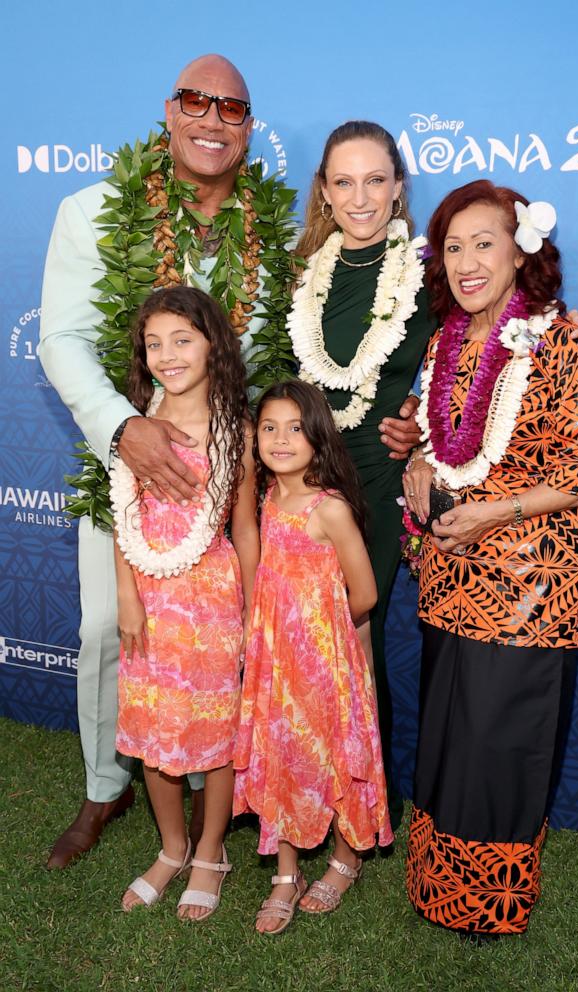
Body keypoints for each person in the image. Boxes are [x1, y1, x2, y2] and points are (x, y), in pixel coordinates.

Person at [286, 121, 578, 828]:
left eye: (375, 179)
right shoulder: (324, 288)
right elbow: (431, 414)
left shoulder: (510, 319)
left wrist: (568, 324)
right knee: (424, 714)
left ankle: (395, 846)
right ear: (324, 193)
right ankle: (317, 816)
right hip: (390, 536)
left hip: (492, 560)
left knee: (465, 716)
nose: (359, 195)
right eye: (343, 180)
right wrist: (422, 450)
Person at [38, 53, 295, 868]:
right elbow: (64, 339)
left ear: (248, 128)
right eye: (195, 100)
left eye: (231, 107)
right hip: (129, 470)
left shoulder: (279, 230)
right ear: (168, 111)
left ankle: (232, 776)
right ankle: (105, 785)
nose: (211, 118)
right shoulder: (94, 208)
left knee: (227, 641)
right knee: (110, 630)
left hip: (234, 473)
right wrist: (125, 429)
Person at [403, 180, 578, 939]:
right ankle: (435, 887)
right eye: (453, 247)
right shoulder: (445, 341)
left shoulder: (561, 339)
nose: (467, 262)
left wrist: (495, 511)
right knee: (449, 740)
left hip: (529, 588)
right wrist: (421, 470)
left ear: (520, 249)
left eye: (483, 243)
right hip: (448, 577)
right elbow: (437, 444)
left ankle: (486, 903)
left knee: (499, 747)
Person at [113, 286, 259, 920]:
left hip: (211, 597)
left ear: (212, 345)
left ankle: (209, 851)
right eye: (154, 344)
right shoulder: (134, 424)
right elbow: (121, 515)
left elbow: (246, 527)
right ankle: (170, 848)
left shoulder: (237, 430)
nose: (167, 355)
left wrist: (253, 612)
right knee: (153, 730)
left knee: (215, 733)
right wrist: (127, 596)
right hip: (147, 594)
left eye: (182, 339)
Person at [233, 380, 393, 934]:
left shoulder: (330, 509)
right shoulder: (269, 500)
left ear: (318, 436)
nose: (280, 439)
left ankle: (347, 858)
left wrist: (318, 638)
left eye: (294, 428)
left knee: (335, 753)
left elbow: (366, 594)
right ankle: (285, 872)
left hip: (328, 667)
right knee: (280, 752)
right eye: (269, 428)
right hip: (277, 667)